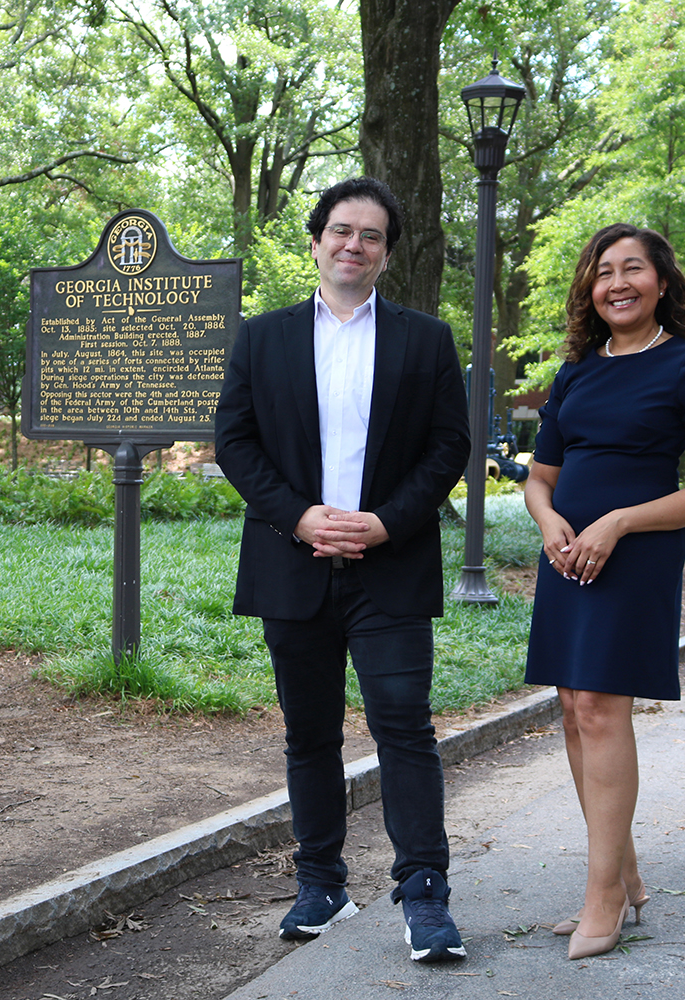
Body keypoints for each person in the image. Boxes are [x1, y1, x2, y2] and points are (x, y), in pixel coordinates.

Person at [214, 177, 472, 963]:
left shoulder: (427, 340)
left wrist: (383, 522)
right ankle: (321, 883)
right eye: (341, 231)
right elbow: (235, 441)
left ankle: (424, 892)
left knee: (404, 728)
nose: (353, 245)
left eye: (371, 236)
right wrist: (299, 516)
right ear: (317, 240)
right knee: (309, 734)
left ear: (387, 253)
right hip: (292, 564)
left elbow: (447, 446)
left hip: (390, 567)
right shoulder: (263, 337)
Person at [522, 223, 685, 960]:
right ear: (590, 288)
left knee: (603, 710)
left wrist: (615, 522)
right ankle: (624, 872)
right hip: (566, 558)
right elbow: (540, 477)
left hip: (634, 558)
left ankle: (601, 892)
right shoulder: (576, 370)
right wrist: (551, 521)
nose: (617, 282)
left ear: (663, 283)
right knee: (575, 711)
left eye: (633, 269)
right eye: (603, 271)